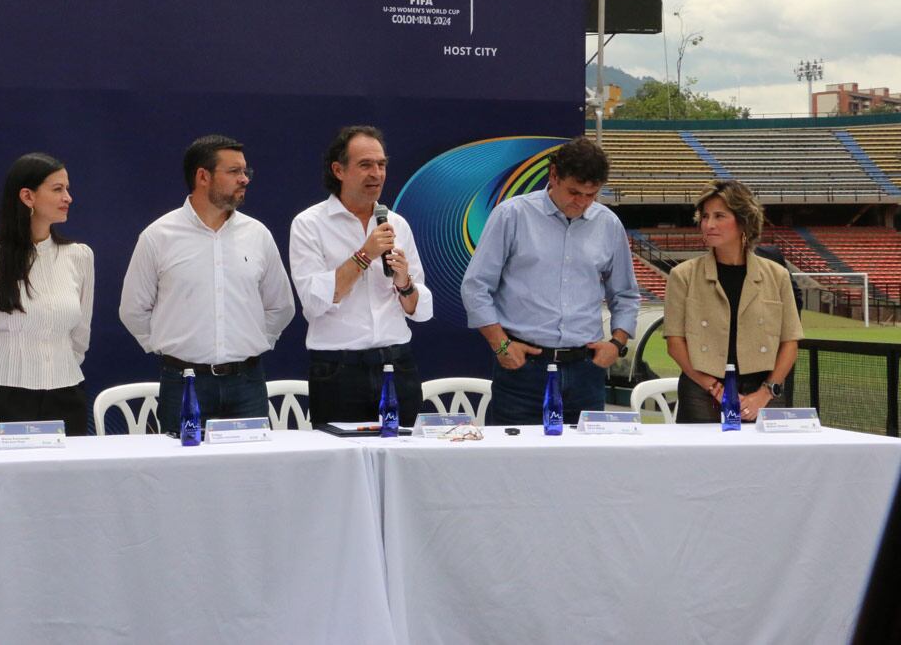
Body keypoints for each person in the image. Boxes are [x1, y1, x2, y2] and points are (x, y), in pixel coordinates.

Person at [119, 134, 295, 433]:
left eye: (245, 172)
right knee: (184, 476)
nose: (244, 179)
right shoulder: (159, 236)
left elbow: (281, 305)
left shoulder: (258, 234)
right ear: (203, 176)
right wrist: (168, 348)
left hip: (248, 383)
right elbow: (133, 310)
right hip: (184, 383)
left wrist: (252, 344)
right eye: (234, 171)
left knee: (250, 474)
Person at [461, 136, 640, 424]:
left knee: (583, 466)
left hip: (586, 369)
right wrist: (502, 346)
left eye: (591, 195)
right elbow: (476, 286)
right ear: (553, 175)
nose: (581, 203)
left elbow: (626, 294)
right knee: (513, 464)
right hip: (523, 369)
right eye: (574, 192)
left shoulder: (608, 224)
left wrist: (616, 344)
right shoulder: (512, 215)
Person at [290, 126, 432, 425]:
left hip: (397, 362)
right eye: (365, 165)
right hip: (338, 368)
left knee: (406, 461)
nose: (376, 174)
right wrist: (365, 254)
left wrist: (404, 282)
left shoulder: (396, 223)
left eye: (381, 165)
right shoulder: (309, 224)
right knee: (339, 466)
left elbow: (419, 311)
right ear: (338, 170)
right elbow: (315, 302)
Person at [0, 153, 93, 436]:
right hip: (0, 395)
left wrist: (54, 368)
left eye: (67, 188)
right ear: (28, 197)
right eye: (57, 189)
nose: (68, 197)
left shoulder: (79, 256)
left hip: (66, 394)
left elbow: (80, 336)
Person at [663, 180, 802, 423]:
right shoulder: (682, 276)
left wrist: (765, 393)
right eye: (705, 216)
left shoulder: (777, 275)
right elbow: (675, 343)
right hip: (701, 393)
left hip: (766, 393)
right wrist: (716, 389)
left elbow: (789, 342)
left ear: (743, 221)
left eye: (719, 216)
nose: (709, 224)